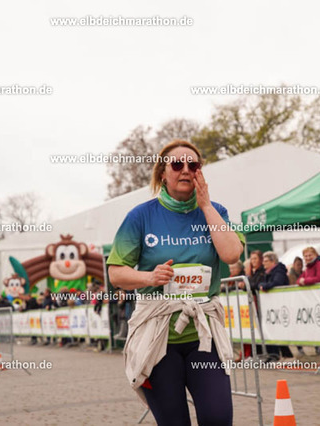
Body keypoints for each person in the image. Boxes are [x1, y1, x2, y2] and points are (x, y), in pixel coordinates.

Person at [107, 140, 243, 425]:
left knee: (218, 418)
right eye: (177, 164)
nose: (185, 170)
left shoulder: (216, 211)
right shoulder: (141, 216)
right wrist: (149, 277)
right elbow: (116, 274)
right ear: (162, 173)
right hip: (157, 336)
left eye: (193, 165)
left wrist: (205, 206)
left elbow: (231, 254)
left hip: (203, 335)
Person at [258, 251, 292, 361]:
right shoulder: (267, 272)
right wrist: (263, 285)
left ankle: (285, 355)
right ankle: (278, 354)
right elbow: (260, 283)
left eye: (266, 261)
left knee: (279, 330)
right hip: (271, 306)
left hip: (281, 304)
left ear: (273, 261)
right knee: (273, 330)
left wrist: (265, 286)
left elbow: (277, 282)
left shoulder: (279, 271)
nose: (263, 263)